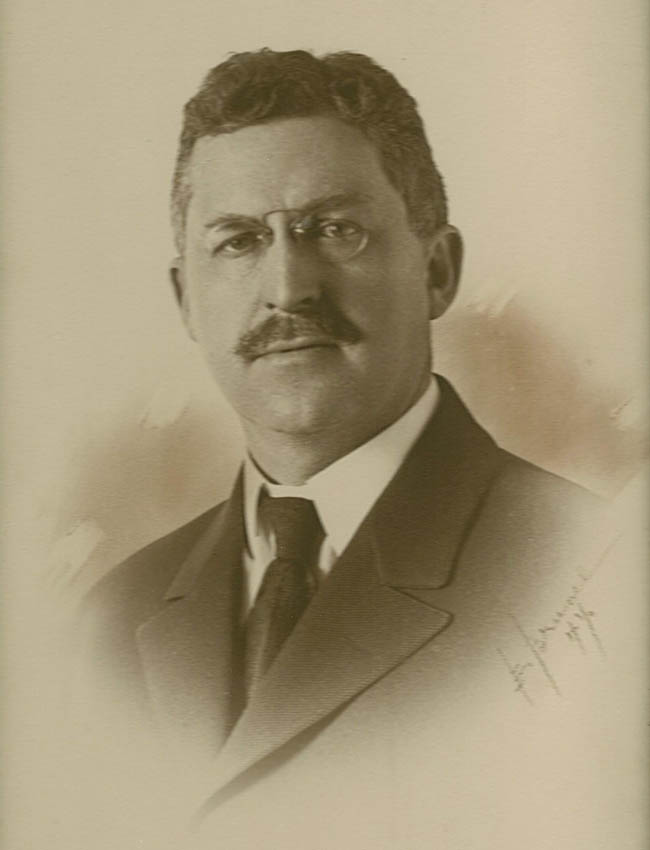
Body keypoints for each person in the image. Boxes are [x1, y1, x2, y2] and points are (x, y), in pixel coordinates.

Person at [80, 49, 618, 841]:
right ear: (186, 299)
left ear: (437, 271)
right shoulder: (108, 618)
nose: (288, 288)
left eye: (336, 230)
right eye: (238, 241)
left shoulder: (598, 577)